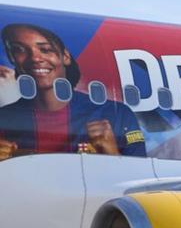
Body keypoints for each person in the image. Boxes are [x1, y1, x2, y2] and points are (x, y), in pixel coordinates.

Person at [0, 23, 146, 158]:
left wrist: (112, 154)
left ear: (65, 57)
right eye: (19, 50)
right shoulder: (5, 118)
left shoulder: (116, 114)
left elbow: (143, 179)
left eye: (45, 49)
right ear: (13, 58)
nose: (35, 58)